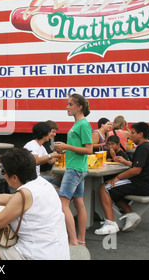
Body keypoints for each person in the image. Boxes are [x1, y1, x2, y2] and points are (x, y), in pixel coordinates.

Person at [0, 148, 69, 260]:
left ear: (14, 177)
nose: (3, 175)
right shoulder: (43, 184)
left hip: (34, 254)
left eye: (4, 172)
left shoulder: (24, 194)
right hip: (57, 253)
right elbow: (10, 199)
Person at [94, 122, 149, 235]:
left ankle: (110, 223)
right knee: (113, 189)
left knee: (103, 188)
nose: (130, 135)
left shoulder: (142, 148)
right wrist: (125, 162)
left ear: (141, 134)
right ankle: (130, 214)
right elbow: (139, 165)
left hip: (142, 184)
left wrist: (118, 177)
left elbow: (136, 170)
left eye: (132, 133)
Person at [54, 93, 92, 246]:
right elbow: (81, 148)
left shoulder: (83, 124)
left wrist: (66, 147)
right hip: (77, 168)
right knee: (78, 204)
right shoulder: (79, 124)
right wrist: (65, 149)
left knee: (63, 204)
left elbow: (89, 150)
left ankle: (73, 241)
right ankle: (80, 240)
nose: (67, 107)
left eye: (70, 104)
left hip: (74, 169)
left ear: (79, 107)